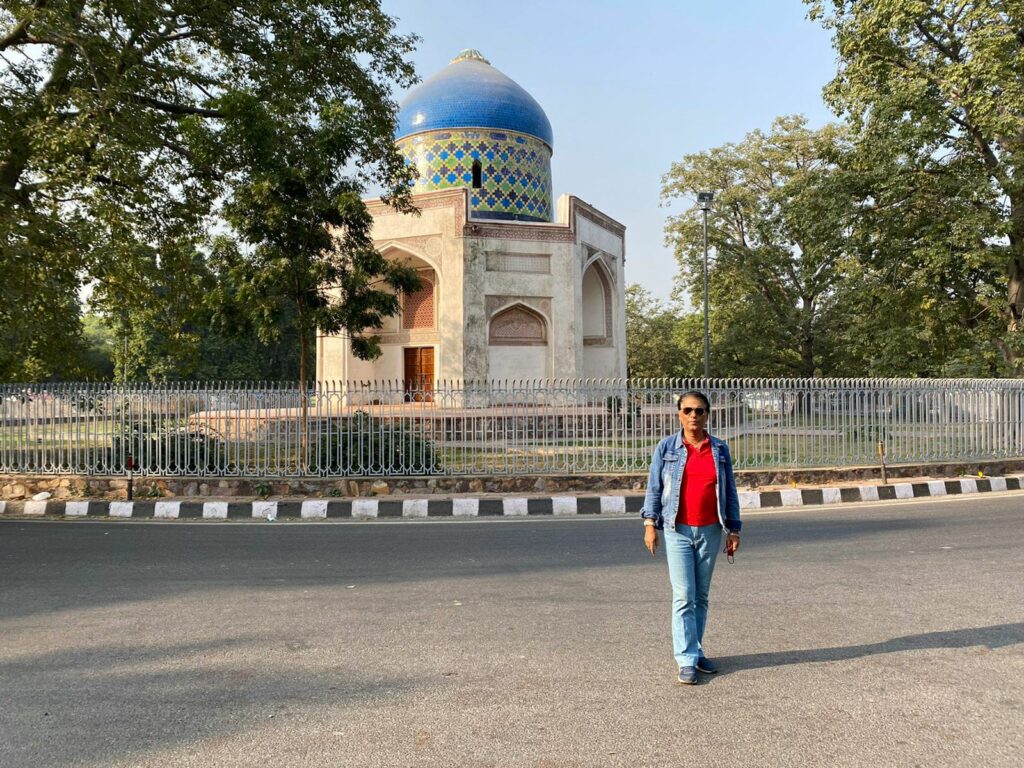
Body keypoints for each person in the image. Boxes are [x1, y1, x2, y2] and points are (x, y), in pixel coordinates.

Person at [641, 390, 742, 685]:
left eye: (699, 410)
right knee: (684, 595)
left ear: (707, 414)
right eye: (688, 410)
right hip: (677, 530)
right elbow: (654, 488)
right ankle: (685, 659)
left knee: (701, 596)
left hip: (711, 529)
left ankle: (696, 651)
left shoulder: (719, 449)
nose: (693, 416)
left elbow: (730, 492)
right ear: (679, 414)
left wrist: (733, 528)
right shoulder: (667, 448)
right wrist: (650, 524)